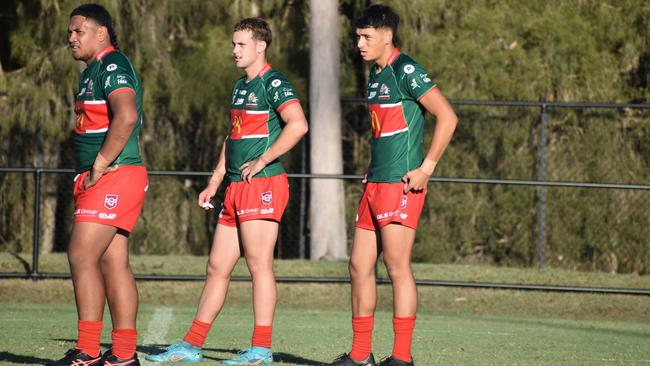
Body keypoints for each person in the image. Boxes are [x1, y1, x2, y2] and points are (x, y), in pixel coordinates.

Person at [145, 17, 308, 366]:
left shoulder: (273, 82)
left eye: (241, 44)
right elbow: (232, 137)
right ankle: (191, 344)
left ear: (260, 46)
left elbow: (298, 124)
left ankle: (261, 351)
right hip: (235, 188)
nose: (234, 50)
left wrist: (263, 159)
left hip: (262, 186)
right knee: (217, 266)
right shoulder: (239, 87)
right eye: (233, 44)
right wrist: (215, 182)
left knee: (259, 265)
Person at [326, 4, 458, 366]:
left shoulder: (406, 70)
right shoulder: (375, 75)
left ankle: (402, 357)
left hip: (402, 184)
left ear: (388, 36)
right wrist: (372, 167)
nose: (360, 43)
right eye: (357, 37)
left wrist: (426, 169)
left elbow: (447, 117)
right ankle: (360, 355)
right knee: (358, 265)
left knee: (397, 267)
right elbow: (385, 131)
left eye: (367, 37)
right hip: (376, 183)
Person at [48, 3, 147, 366]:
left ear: (100, 32)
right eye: (70, 32)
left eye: (78, 31)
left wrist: (99, 165)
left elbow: (127, 116)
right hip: (108, 176)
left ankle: (87, 351)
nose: (71, 38)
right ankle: (123, 355)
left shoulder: (112, 64)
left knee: (80, 254)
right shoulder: (91, 71)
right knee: (113, 263)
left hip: (115, 173)